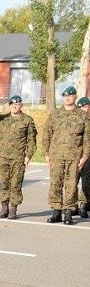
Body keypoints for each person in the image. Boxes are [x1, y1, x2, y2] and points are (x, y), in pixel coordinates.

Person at [0, 95, 37, 219]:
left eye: (17, 104)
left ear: (21, 105)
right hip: (3, 157)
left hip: (18, 158)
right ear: (9, 106)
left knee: (16, 184)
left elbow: (32, 141)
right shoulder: (2, 119)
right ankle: (4, 208)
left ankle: (13, 209)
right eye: (12, 104)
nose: (14, 106)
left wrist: (28, 156)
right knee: (4, 183)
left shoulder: (27, 120)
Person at [42, 86, 90, 225]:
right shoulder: (55, 114)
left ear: (75, 97)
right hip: (56, 155)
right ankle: (56, 211)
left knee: (71, 185)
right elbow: (47, 134)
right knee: (55, 183)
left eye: (70, 96)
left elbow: (87, 139)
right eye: (65, 96)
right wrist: (46, 153)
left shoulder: (82, 116)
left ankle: (68, 212)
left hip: (74, 156)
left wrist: (84, 156)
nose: (67, 98)